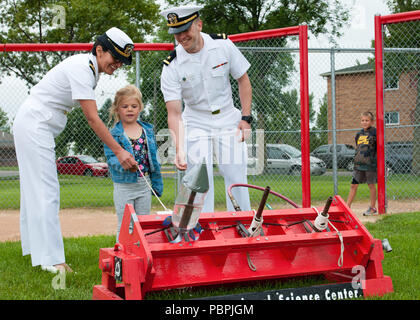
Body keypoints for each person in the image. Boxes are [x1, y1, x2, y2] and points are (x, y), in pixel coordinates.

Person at [13, 27, 138, 273]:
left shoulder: (92, 69)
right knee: (46, 191)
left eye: (122, 61)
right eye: (116, 58)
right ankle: (52, 261)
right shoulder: (84, 68)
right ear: (100, 50)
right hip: (35, 124)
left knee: (33, 192)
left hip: (35, 123)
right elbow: (92, 118)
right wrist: (119, 151)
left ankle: (34, 251)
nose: (118, 65)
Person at [160, 5, 252, 213]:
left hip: (228, 117)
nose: (181, 37)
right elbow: (174, 113)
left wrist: (246, 118)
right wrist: (179, 148)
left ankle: (242, 228)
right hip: (195, 120)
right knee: (199, 179)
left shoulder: (223, 45)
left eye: (185, 30)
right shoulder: (171, 65)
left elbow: (243, 80)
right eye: (176, 33)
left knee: (237, 177)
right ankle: (200, 232)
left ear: (199, 25)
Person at [104, 85, 163, 241]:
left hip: (144, 184)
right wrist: (124, 164)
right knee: (126, 225)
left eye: (134, 106)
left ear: (140, 108)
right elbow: (111, 158)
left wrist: (156, 183)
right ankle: (122, 257)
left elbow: (154, 160)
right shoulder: (114, 134)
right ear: (117, 109)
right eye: (125, 106)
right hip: (124, 186)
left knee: (143, 224)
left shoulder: (147, 131)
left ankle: (140, 256)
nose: (129, 109)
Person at [346, 111, 377, 216]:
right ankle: (347, 207)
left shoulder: (375, 133)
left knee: (371, 184)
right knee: (353, 185)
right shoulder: (359, 134)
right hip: (359, 164)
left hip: (370, 164)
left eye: (367, 120)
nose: (364, 122)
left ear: (372, 121)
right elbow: (357, 147)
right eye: (362, 120)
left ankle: (372, 208)